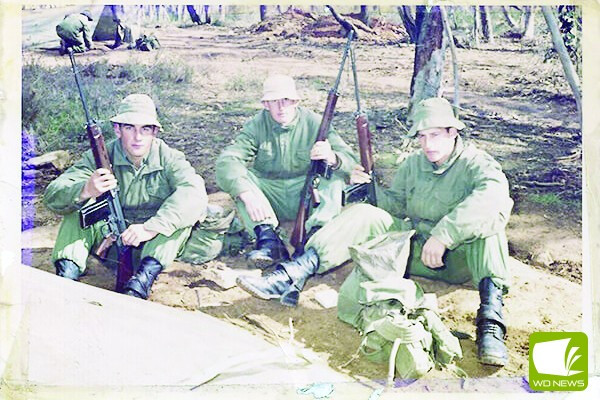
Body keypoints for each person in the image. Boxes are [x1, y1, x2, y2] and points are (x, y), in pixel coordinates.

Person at [237, 97, 514, 367]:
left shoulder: (477, 163)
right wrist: (368, 190)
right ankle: (292, 273)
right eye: (422, 137)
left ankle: (491, 323)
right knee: (366, 214)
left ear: (453, 133)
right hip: (415, 254)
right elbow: (394, 204)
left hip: (460, 260)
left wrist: (444, 235)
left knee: (490, 228)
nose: (428, 144)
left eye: (435, 135)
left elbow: (493, 198)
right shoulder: (414, 164)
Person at [44, 94, 209, 300]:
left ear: (155, 132)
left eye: (145, 129)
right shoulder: (101, 156)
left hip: (153, 247)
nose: (138, 137)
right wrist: (85, 189)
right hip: (112, 244)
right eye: (130, 128)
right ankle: (66, 277)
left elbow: (194, 194)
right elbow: (53, 194)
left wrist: (151, 227)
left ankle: (141, 284)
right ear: (117, 129)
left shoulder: (169, 158)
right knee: (78, 213)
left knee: (179, 221)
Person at [216, 74, 358, 270]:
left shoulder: (315, 123)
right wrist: (247, 194)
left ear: (296, 102)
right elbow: (227, 161)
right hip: (269, 199)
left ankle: (315, 238)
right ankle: (268, 240)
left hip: (306, 196)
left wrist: (332, 157)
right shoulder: (256, 125)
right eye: (274, 102)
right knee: (241, 181)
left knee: (332, 176)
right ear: (266, 105)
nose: (281, 107)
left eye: (286, 100)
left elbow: (351, 161)